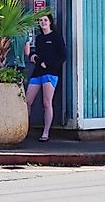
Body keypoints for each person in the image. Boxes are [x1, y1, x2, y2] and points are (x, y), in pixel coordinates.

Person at [25, 14, 66, 142]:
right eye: (41, 20)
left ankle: (46, 132)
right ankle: (23, 129)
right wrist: (33, 56)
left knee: (46, 102)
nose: (43, 22)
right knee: (27, 101)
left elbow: (63, 56)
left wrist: (49, 64)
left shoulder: (56, 37)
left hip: (50, 73)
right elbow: (36, 53)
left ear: (50, 22)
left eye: (45, 20)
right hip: (38, 72)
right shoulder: (39, 38)